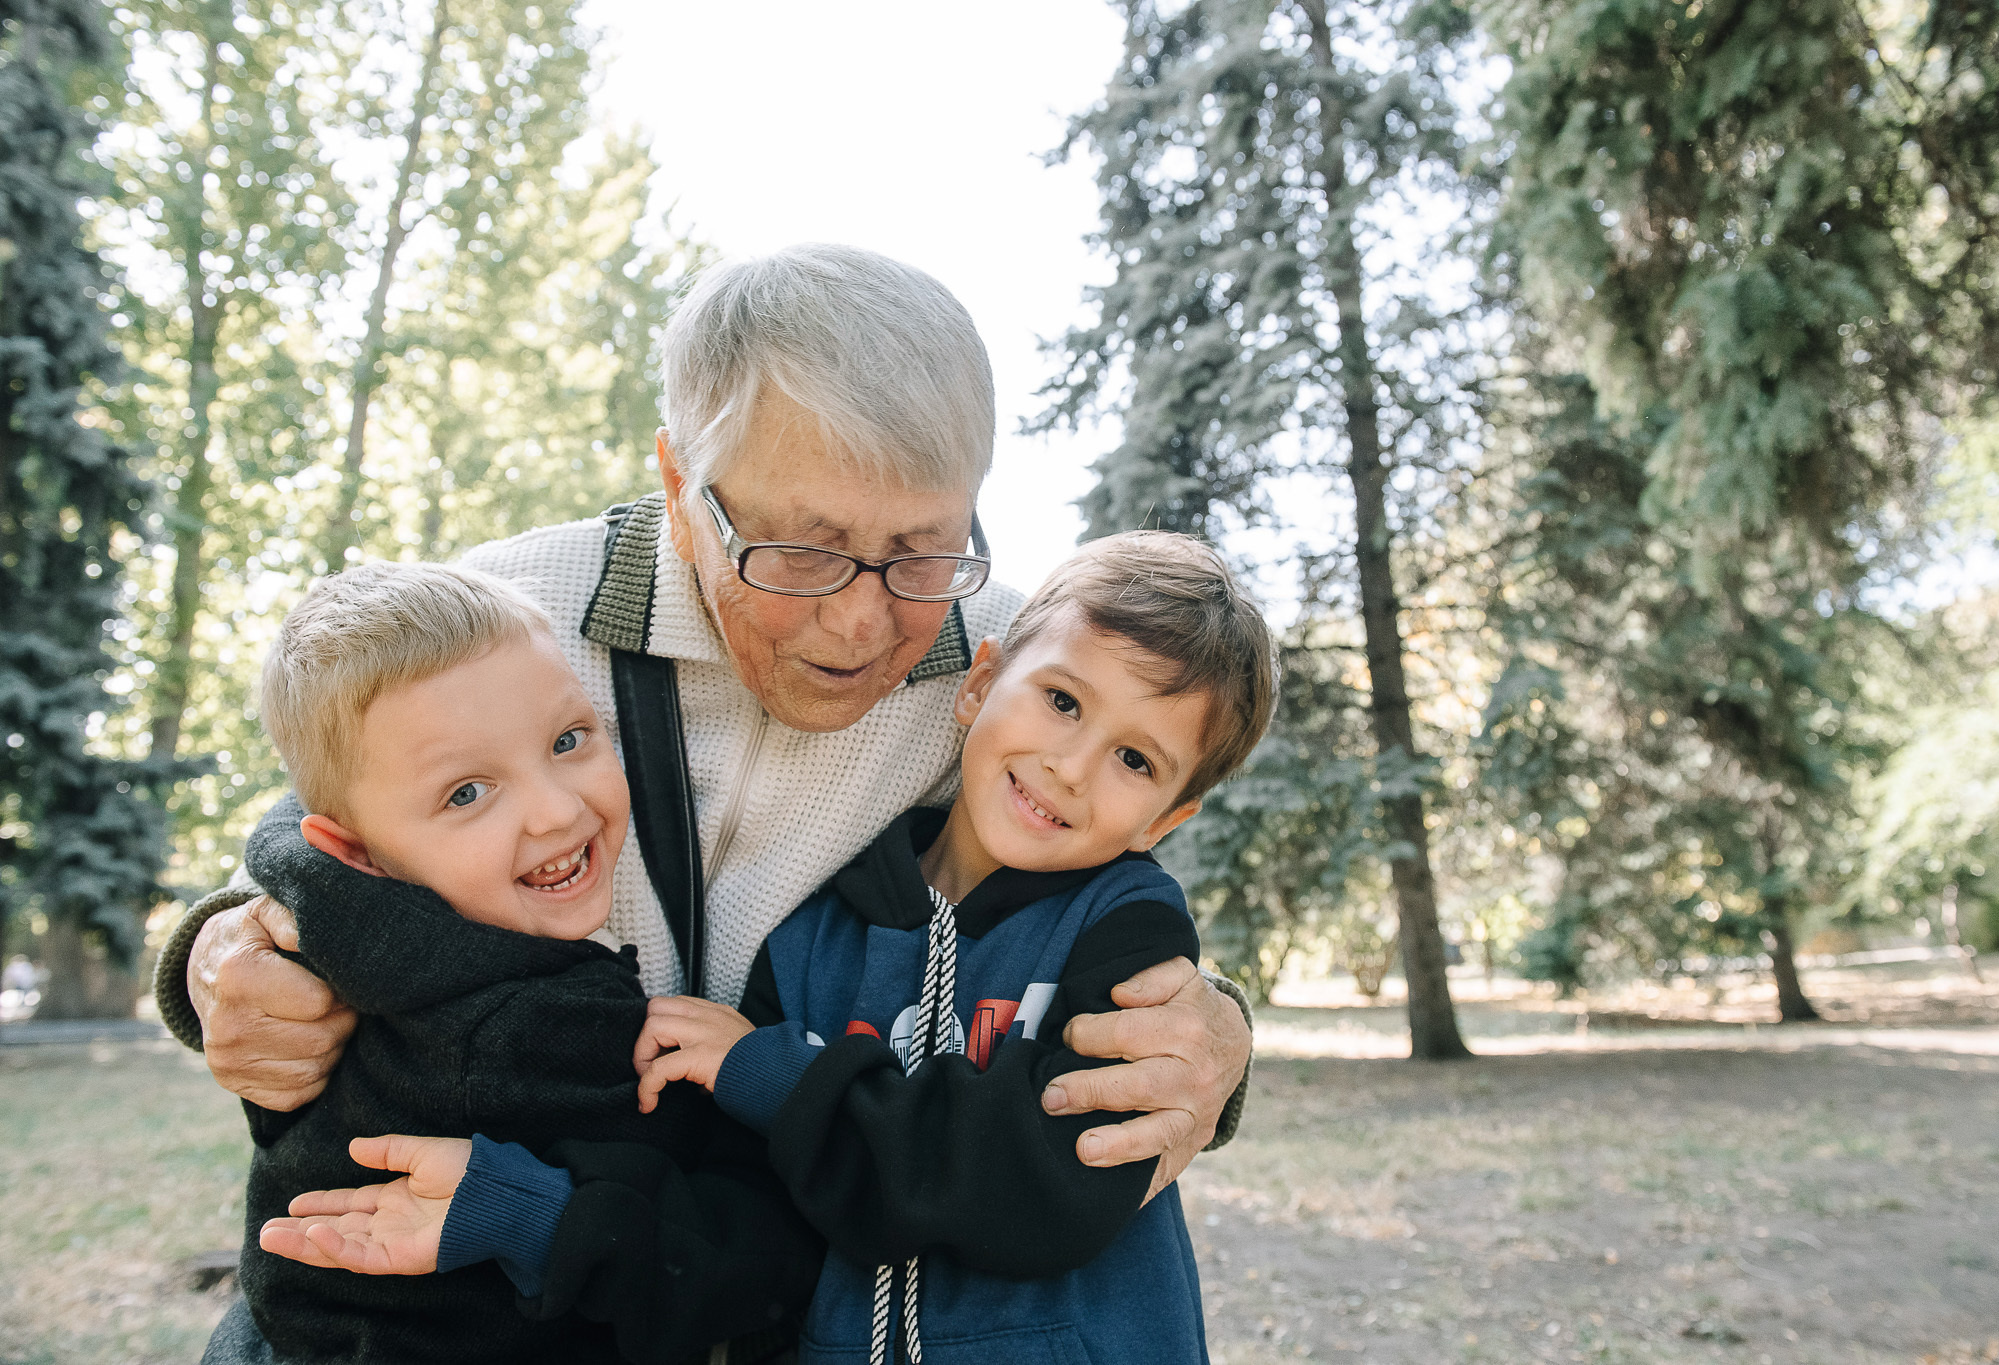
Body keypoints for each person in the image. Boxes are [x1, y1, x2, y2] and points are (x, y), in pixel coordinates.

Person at [154, 244, 1255, 1350]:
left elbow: (1115, 870)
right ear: (682, 487)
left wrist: (1214, 1025)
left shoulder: (1012, 672)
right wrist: (215, 962)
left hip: (720, 1263)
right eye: (802, 552)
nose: (861, 622)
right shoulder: (505, 619)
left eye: (919, 549)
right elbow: (301, 855)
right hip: (420, 1287)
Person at [262, 532, 1274, 1365]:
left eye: (1134, 760)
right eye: (1060, 701)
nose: (1068, 766)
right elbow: (746, 1210)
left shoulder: (1122, 932)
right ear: (980, 683)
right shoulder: (815, 920)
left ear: (1167, 817)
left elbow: (1042, 1190)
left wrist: (773, 1075)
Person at [225, 560, 819, 1365]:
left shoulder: (338, 948)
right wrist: (774, 1076)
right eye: (467, 792)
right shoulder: (526, 1030)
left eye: (568, 740)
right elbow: (722, 1259)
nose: (556, 808)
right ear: (356, 850)